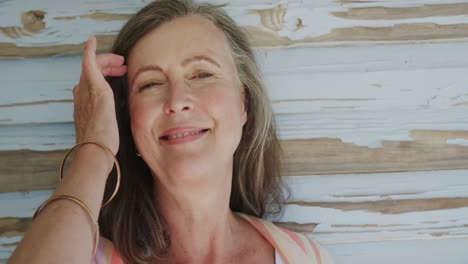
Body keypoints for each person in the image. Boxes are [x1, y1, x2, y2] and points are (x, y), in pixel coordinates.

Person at [9, 0, 334, 263]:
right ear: (127, 121)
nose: (177, 101)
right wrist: (94, 148)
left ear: (244, 103)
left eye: (203, 74)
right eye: (150, 83)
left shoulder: (304, 258)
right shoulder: (82, 256)